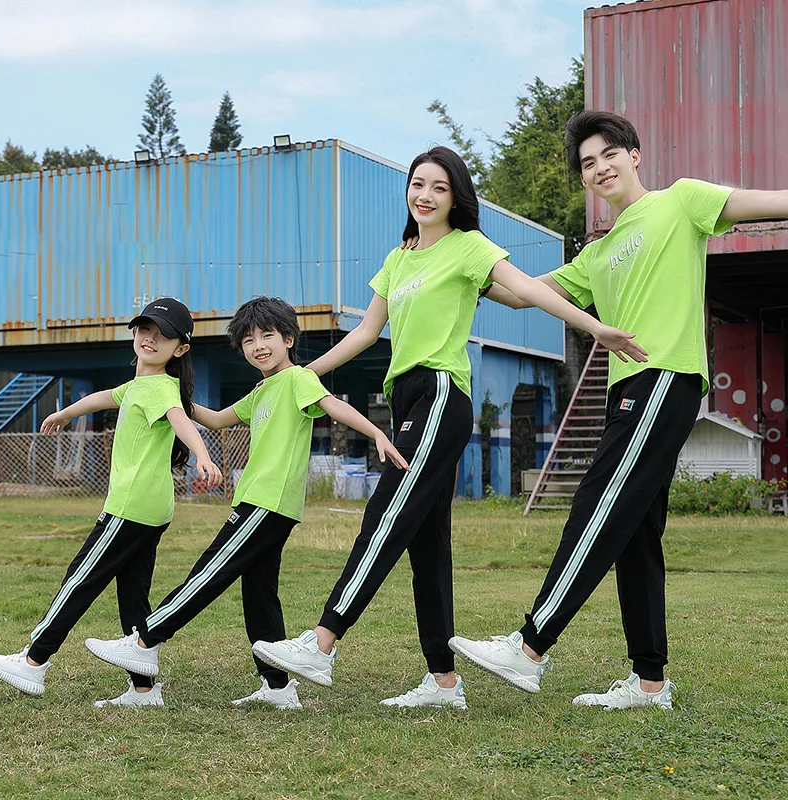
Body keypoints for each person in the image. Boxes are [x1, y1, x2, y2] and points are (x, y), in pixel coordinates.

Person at [252, 145, 646, 710]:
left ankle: (322, 643)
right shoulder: (398, 258)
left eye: (439, 187)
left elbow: (529, 290)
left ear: (455, 196)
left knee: (384, 516)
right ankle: (444, 681)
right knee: (426, 545)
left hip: (440, 393)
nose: (425, 195)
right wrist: (294, 378)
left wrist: (595, 328)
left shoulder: (468, 247)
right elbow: (365, 334)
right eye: (417, 184)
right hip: (407, 394)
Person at [449, 109, 788, 710]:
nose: (599, 168)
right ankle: (650, 682)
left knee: (596, 505)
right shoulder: (595, 257)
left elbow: (769, 202)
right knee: (635, 534)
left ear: (634, 155)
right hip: (626, 392)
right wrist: (459, 254)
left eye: (608, 155)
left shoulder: (681, 202)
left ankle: (529, 649)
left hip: (662, 380)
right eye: (587, 164)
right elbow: (518, 294)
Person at [83, 296, 409, 710]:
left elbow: (333, 404)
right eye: (249, 340)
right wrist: (165, 396)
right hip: (265, 503)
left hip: (265, 504)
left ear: (289, 339)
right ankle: (277, 688)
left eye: (267, 336)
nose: (258, 346)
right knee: (259, 594)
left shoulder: (297, 380)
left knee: (208, 573)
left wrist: (377, 433)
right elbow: (218, 419)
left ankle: (146, 640)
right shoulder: (263, 389)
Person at [0, 299, 222, 706]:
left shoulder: (160, 388)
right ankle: (143, 689)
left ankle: (33, 661)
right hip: (153, 510)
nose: (149, 338)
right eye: (143, 329)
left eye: (162, 334)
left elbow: (181, 419)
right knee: (133, 594)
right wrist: (64, 414)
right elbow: (100, 399)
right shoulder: (137, 387)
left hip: (130, 508)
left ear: (180, 348)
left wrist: (202, 455)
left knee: (80, 579)